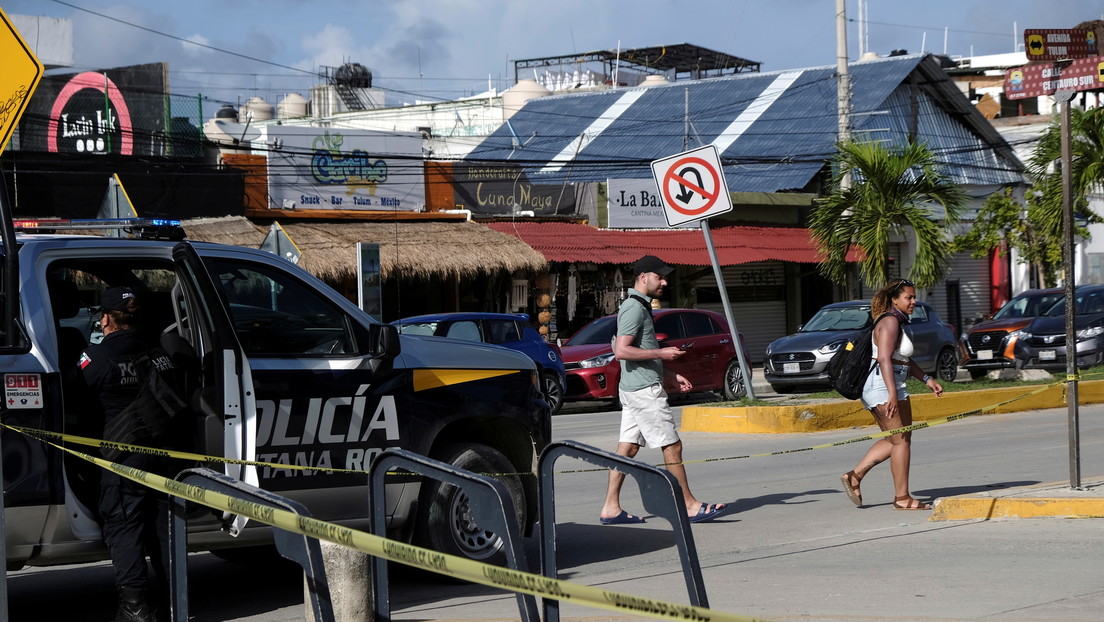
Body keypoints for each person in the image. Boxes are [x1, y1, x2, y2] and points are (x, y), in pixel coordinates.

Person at [599, 255, 726, 525]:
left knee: (627, 450)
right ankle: (689, 505)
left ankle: (610, 508)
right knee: (672, 446)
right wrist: (664, 353)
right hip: (644, 391)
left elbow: (639, 351)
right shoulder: (634, 308)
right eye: (660, 277)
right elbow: (622, 351)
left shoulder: (638, 306)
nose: (665, 282)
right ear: (644, 277)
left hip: (636, 388)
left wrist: (669, 372)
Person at [80, 287, 173, 622]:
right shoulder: (159, 353)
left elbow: (78, 400)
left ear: (105, 319)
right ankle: (174, 601)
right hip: (160, 452)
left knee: (125, 529)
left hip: (121, 458)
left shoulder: (96, 359)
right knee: (162, 527)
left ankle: (135, 609)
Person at [840, 278, 943, 511]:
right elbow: (884, 358)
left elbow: (902, 358)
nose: (913, 301)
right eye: (909, 297)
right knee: (901, 442)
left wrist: (927, 379)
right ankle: (902, 497)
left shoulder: (896, 321)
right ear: (894, 299)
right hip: (882, 386)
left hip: (890, 383)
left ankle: (854, 477)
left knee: (897, 439)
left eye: (914, 297)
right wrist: (892, 394)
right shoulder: (889, 322)